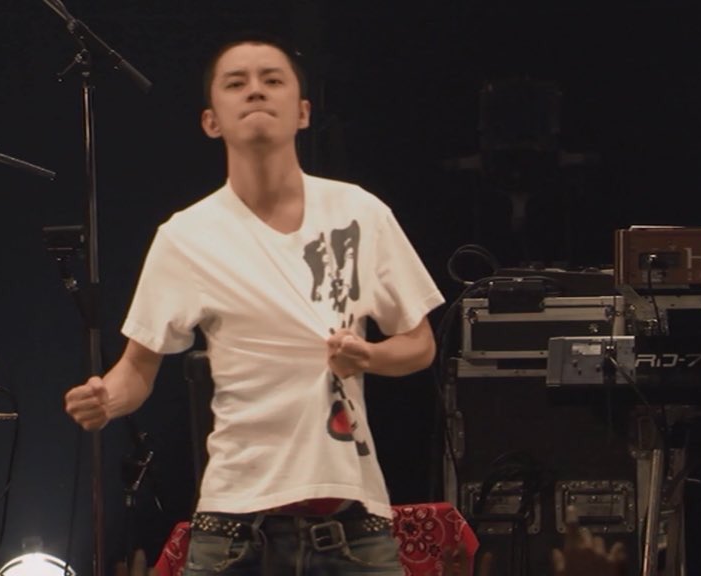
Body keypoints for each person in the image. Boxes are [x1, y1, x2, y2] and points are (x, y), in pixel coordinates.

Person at [64, 34, 443, 575]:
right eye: (236, 83)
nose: (256, 91)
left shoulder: (359, 212)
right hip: (234, 526)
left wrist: (370, 356)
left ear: (303, 112)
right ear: (211, 121)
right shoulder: (187, 236)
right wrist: (107, 398)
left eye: (272, 79)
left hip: (351, 520)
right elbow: (137, 369)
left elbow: (420, 342)